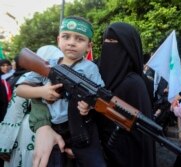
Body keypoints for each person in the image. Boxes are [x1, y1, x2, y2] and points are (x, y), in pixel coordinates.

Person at [16, 16, 106, 167]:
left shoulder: (91, 68)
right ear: (58, 40)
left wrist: (88, 106)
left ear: (89, 46)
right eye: (66, 37)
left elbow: (98, 96)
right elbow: (20, 90)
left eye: (79, 39)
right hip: (52, 128)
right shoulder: (48, 66)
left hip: (80, 127)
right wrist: (42, 91)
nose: (71, 42)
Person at [95, 22, 155, 167]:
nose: (109, 45)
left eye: (114, 41)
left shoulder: (135, 84)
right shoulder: (93, 72)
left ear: (128, 47)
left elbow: (143, 137)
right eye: (106, 41)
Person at [0, 45, 63, 167]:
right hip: (40, 132)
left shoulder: (28, 78)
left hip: (32, 130)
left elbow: (14, 111)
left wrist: (5, 145)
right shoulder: (33, 78)